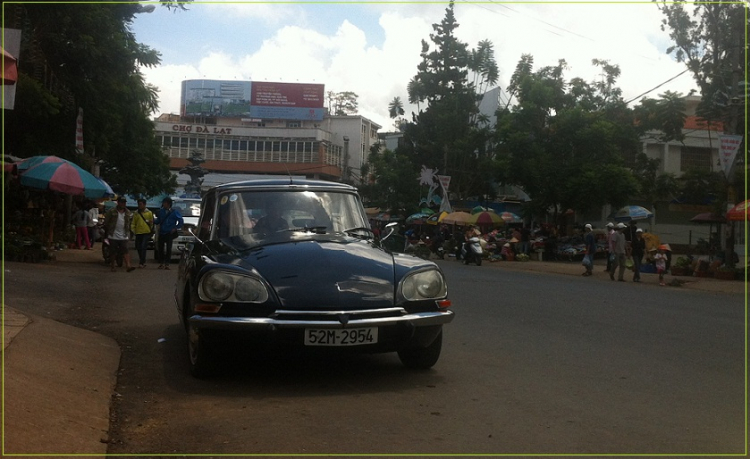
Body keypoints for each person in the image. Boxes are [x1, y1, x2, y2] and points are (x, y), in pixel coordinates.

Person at [103, 197, 135, 272]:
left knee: (125, 250)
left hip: (123, 235)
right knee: (113, 251)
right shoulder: (111, 211)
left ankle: (128, 265)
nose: (123, 204)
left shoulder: (128, 212)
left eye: (124, 202)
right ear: (118, 202)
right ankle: (113, 266)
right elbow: (106, 222)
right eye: (122, 202)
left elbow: (129, 223)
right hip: (113, 234)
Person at [154, 197, 184, 270]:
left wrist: (175, 228)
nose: (163, 204)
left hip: (169, 233)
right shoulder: (161, 211)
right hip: (161, 232)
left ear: (168, 204)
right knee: (160, 248)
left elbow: (181, 221)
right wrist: (153, 221)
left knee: (168, 249)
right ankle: (161, 263)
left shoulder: (174, 212)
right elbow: (158, 220)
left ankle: (167, 264)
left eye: (165, 203)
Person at [131, 198, 154, 269]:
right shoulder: (136, 213)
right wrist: (133, 230)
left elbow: (152, 222)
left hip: (146, 232)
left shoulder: (149, 213)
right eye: (138, 204)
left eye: (140, 204)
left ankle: (142, 262)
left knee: (143, 247)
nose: (139, 206)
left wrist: (150, 230)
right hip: (138, 232)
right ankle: (142, 260)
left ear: (144, 204)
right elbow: (133, 223)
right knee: (138, 247)